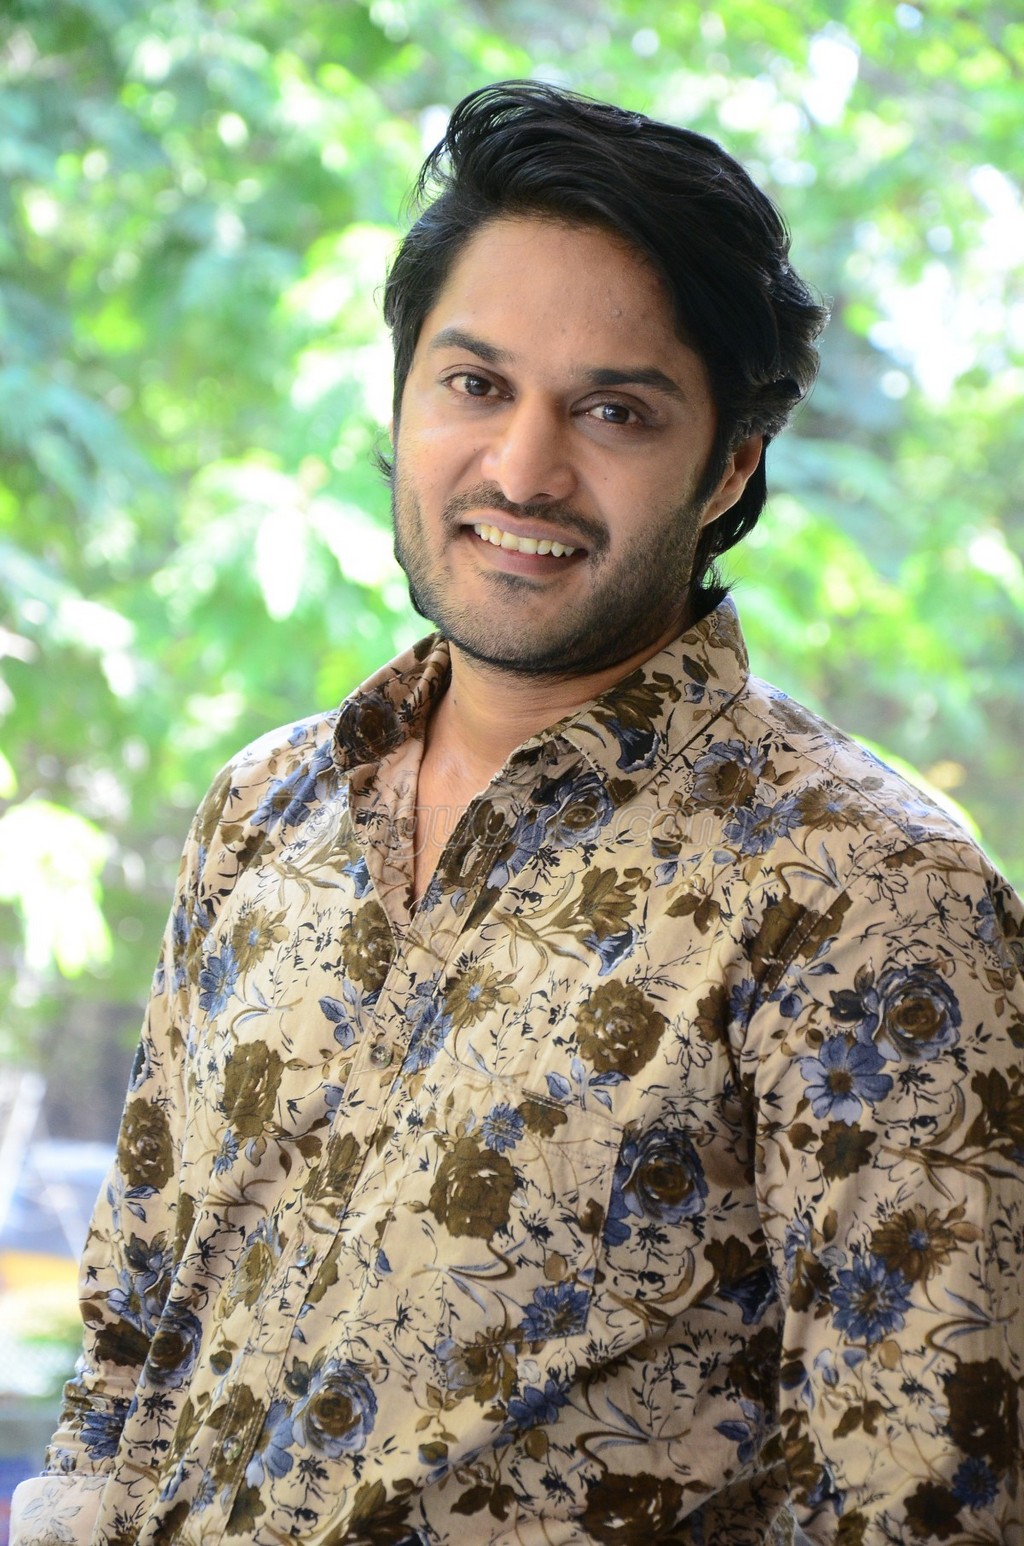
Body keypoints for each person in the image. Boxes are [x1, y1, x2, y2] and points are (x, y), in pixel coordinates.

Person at [12, 80, 1023, 1546]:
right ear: (403, 397)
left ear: (729, 466)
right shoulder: (264, 810)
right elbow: (129, 1345)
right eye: (476, 385)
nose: (524, 470)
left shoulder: (870, 893)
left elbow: (927, 1498)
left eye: (614, 411)